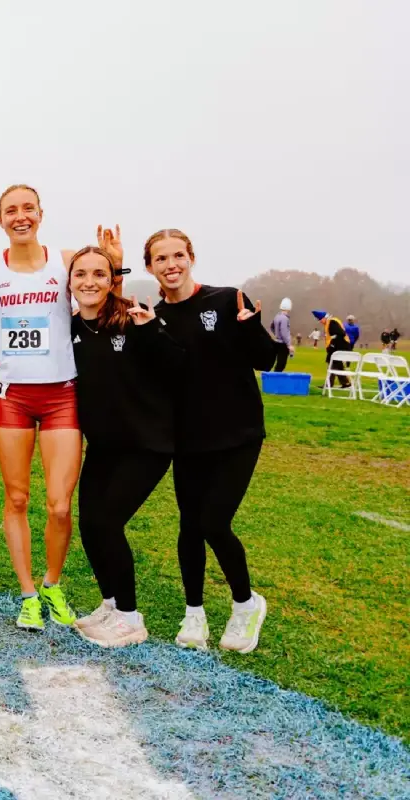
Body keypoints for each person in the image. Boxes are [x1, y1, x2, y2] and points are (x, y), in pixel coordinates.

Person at [147, 228, 273, 653]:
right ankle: (194, 613)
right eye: (161, 259)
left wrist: (252, 329)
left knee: (213, 522)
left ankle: (246, 604)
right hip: (187, 439)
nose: (171, 265)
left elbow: (269, 359)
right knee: (189, 525)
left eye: (178, 255)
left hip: (237, 435)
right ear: (150, 267)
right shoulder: (155, 317)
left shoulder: (226, 299)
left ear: (191, 257)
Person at [0, 184, 81, 631]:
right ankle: (28, 594)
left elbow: (96, 303)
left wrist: (115, 269)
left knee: (59, 506)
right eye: (10, 211)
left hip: (61, 396)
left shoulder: (67, 259)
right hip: (14, 397)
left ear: (41, 214)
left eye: (28, 209)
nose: (21, 217)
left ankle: (53, 584)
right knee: (16, 498)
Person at [68, 247, 184, 646]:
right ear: (69, 281)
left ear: (111, 278)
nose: (89, 281)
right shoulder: (70, 329)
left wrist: (152, 330)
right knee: (88, 525)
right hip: (103, 447)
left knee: (107, 523)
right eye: (80, 274)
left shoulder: (131, 318)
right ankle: (111, 604)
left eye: (99, 274)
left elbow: (176, 364)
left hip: (145, 445)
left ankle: (131, 619)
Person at [313, 309, 352, 388]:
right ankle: (345, 383)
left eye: (320, 319)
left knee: (332, 363)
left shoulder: (332, 322)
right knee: (337, 365)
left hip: (340, 346)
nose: (320, 321)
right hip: (338, 346)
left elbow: (341, 334)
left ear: (324, 317)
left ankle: (329, 383)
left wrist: (332, 345)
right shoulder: (329, 322)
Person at [270, 297, 294, 372]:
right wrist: (289, 345)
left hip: (277, 342)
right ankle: (275, 381)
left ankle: (274, 379)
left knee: (278, 364)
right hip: (282, 344)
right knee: (281, 364)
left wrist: (276, 334)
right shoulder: (285, 318)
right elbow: (284, 332)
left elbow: (272, 327)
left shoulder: (277, 316)